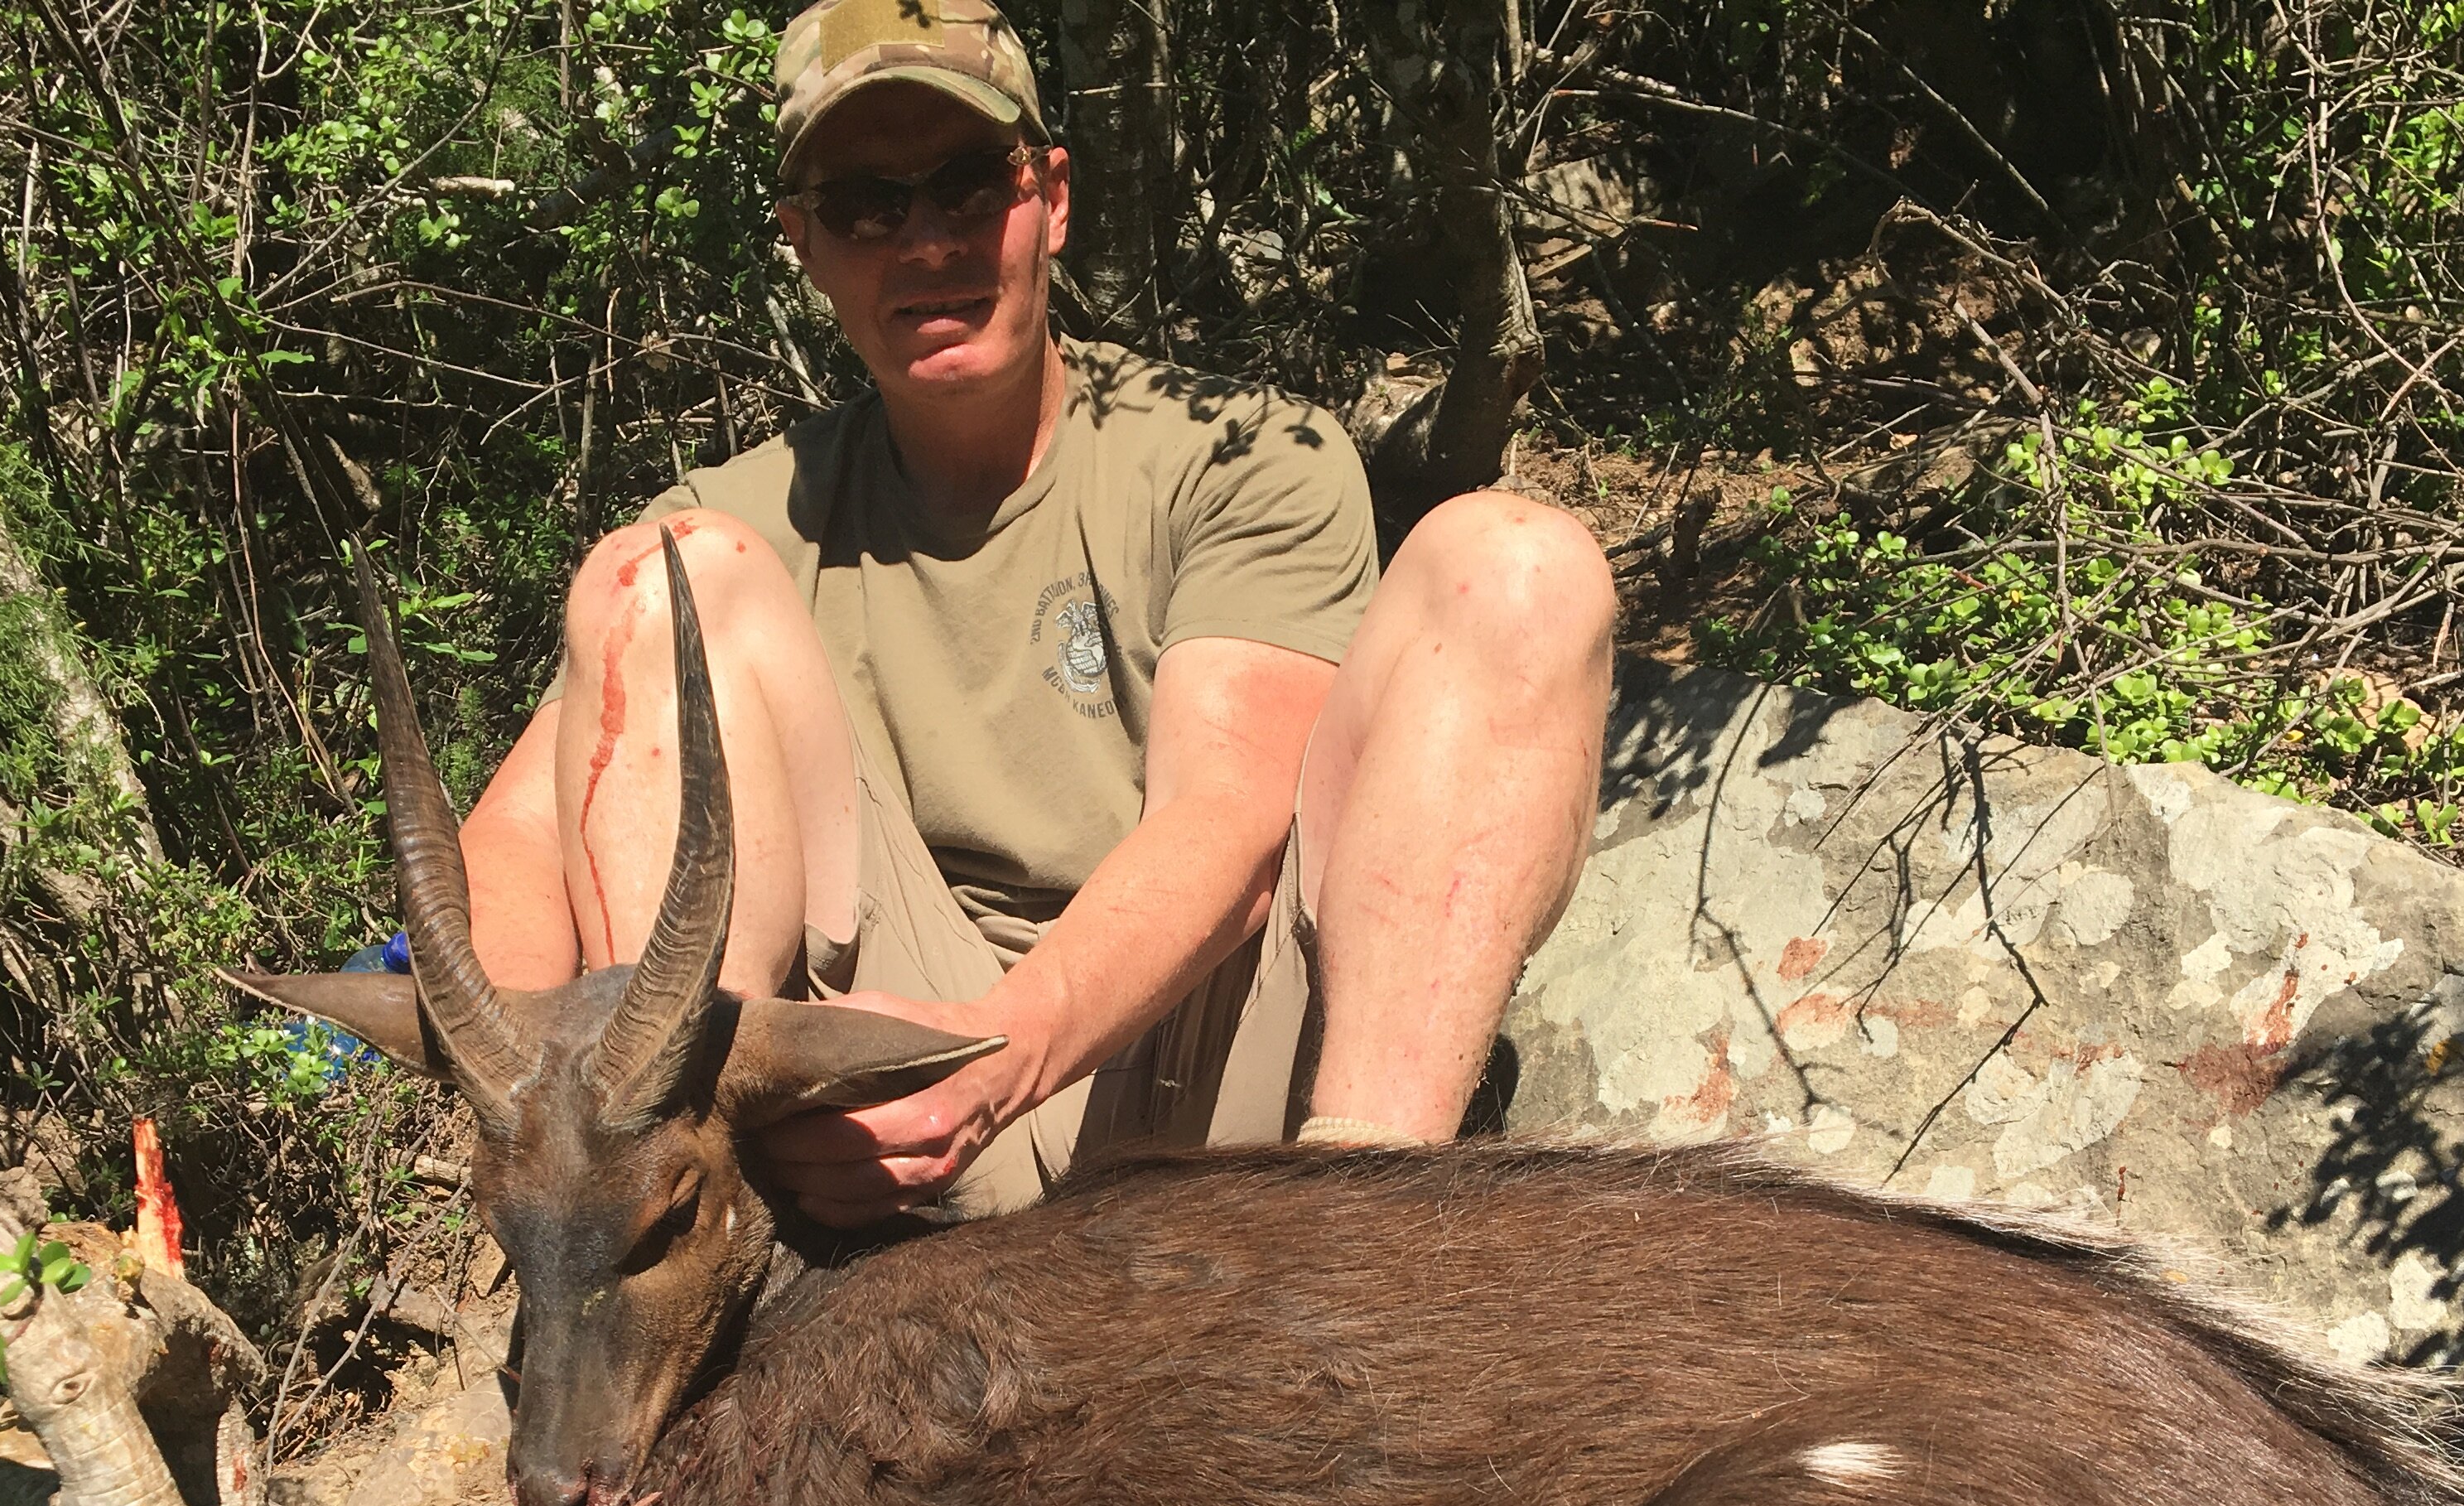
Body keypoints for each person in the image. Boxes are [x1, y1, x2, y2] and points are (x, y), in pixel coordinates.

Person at [456, 0, 1616, 1224]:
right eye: (865, 205)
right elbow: (523, 837)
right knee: (657, 576)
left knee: (1518, 562)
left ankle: (1371, 1232)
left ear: (1049, 198)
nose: (926, 241)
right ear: (804, 243)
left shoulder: (1244, 455)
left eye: (967, 185)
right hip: (890, 1104)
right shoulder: (737, 524)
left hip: (1218, 1079)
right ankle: (679, 1191)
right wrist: (542, 1090)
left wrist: (1009, 1051)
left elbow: (1230, 817)